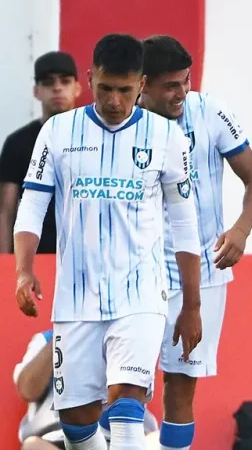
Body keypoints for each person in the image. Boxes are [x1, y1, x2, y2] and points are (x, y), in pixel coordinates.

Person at [13, 33, 203, 450]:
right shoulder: (58, 132)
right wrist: (23, 270)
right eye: (105, 89)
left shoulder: (167, 137)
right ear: (90, 79)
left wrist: (191, 305)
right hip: (76, 298)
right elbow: (32, 206)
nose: (115, 101)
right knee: (77, 424)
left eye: (125, 90)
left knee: (127, 405)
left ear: (141, 84)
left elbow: (186, 224)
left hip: (141, 294)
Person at [130, 35, 252, 450]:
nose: (182, 93)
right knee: (125, 386)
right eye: (170, 85)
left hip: (203, 274)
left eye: (186, 81)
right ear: (143, 84)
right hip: (138, 273)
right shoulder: (123, 125)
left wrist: (241, 230)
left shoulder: (211, 112)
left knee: (180, 387)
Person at [14, 330, 160, 450]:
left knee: (157, 441)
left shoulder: (126, 340)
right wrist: (61, 337)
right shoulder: (45, 340)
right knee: (33, 446)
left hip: (118, 439)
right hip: (58, 440)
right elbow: (27, 391)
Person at [0, 51, 81, 254]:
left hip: (85, 255)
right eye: (48, 82)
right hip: (36, 256)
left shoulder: (95, 138)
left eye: (65, 81)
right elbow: (5, 211)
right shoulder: (17, 143)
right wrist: (4, 262)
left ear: (78, 88)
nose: (57, 88)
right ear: (37, 91)